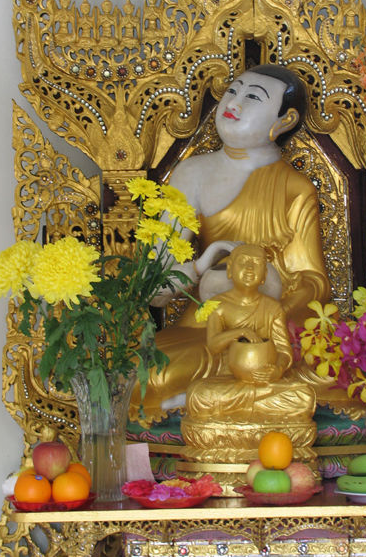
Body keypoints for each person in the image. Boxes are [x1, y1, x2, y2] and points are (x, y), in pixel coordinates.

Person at [129, 63, 332, 424]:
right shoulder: (191, 174)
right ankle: (245, 394)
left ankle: (210, 397)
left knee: (336, 367)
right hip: (208, 326)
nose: (234, 103)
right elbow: (153, 289)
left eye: (253, 97)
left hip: (275, 327)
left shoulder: (295, 188)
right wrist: (203, 262)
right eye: (233, 91)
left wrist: (271, 316)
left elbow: (312, 280)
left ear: (284, 120)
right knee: (143, 374)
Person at [184, 244, 317, 423]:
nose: (249, 268)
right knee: (199, 395)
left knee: (304, 396)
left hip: (265, 381)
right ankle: (257, 409)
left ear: (264, 275)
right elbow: (213, 346)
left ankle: (244, 409)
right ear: (230, 270)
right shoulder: (217, 305)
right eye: (243, 262)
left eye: (257, 263)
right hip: (229, 379)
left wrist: (277, 370)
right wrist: (240, 332)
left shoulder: (273, 308)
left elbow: (284, 350)